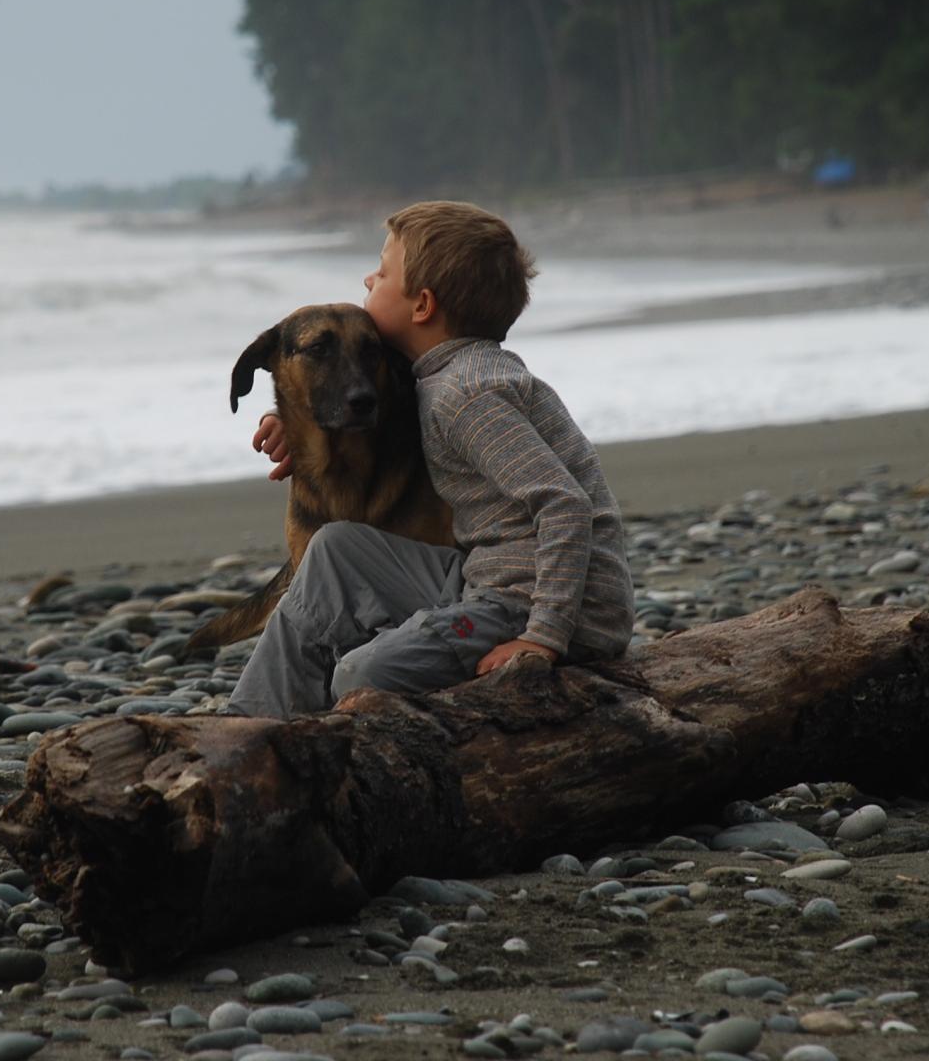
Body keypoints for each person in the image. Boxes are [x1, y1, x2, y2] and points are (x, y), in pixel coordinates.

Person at [229, 200, 633, 718]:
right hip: (484, 581)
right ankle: (245, 723)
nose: (368, 279)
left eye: (382, 272)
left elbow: (565, 504)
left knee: (360, 672)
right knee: (334, 548)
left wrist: (543, 638)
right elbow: (374, 405)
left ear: (421, 306)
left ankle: (286, 737)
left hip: (539, 611)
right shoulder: (447, 376)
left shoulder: (469, 395)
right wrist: (294, 419)